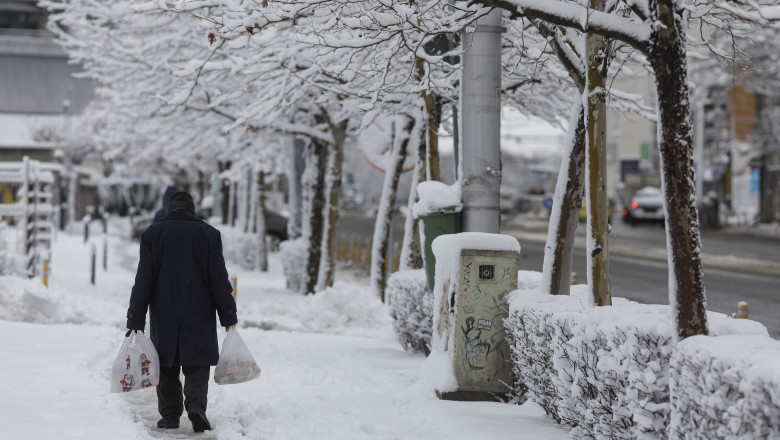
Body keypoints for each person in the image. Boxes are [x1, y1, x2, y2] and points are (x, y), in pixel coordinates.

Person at [126, 191, 237, 433]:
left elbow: (143, 279)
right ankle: (196, 405)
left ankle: (169, 415)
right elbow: (219, 278)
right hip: (199, 309)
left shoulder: (153, 233)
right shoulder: (209, 234)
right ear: (192, 210)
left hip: (164, 310)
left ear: (169, 208)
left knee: (166, 363)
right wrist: (228, 314)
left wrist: (135, 317)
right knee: (197, 362)